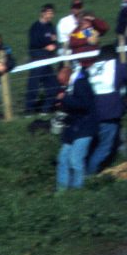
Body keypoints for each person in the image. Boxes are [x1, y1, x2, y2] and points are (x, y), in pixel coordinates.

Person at [79, 24, 124, 174]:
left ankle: (83, 170)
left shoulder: (93, 67)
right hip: (110, 113)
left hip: (93, 113)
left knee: (94, 145)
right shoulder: (115, 66)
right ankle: (90, 175)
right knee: (104, 147)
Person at [54, 56, 97, 191]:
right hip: (72, 128)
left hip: (85, 127)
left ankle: (77, 190)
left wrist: (65, 99)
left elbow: (84, 104)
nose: (62, 85)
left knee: (75, 160)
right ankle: (61, 189)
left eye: (62, 82)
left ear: (66, 76)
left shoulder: (80, 84)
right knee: (62, 159)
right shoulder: (70, 85)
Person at [26, 3, 59, 113]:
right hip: (37, 60)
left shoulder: (51, 26)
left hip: (48, 61)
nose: (51, 15)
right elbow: (34, 43)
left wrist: (54, 45)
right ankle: (29, 110)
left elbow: (55, 41)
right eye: (49, 13)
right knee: (33, 86)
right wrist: (46, 46)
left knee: (53, 86)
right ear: (43, 13)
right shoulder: (35, 27)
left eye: (52, 13)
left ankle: (45, 110)